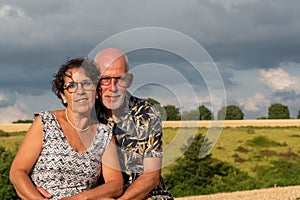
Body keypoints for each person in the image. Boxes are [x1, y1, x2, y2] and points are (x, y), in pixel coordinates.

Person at [10, 58, 123, 200]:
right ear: (63, 96)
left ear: (95, 92)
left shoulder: (104, 133)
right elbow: (17, 172)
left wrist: (79, 199)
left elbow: (115, 184)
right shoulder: (45, 122)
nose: (80, 91)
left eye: (86, 84)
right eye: (71, 86)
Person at [95, 48, 174, 200]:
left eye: (119, 79)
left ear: (129, 80)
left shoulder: (147, 114)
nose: (113, 87)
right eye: (105, 79)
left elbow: (152, 176)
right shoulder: (86, 115)